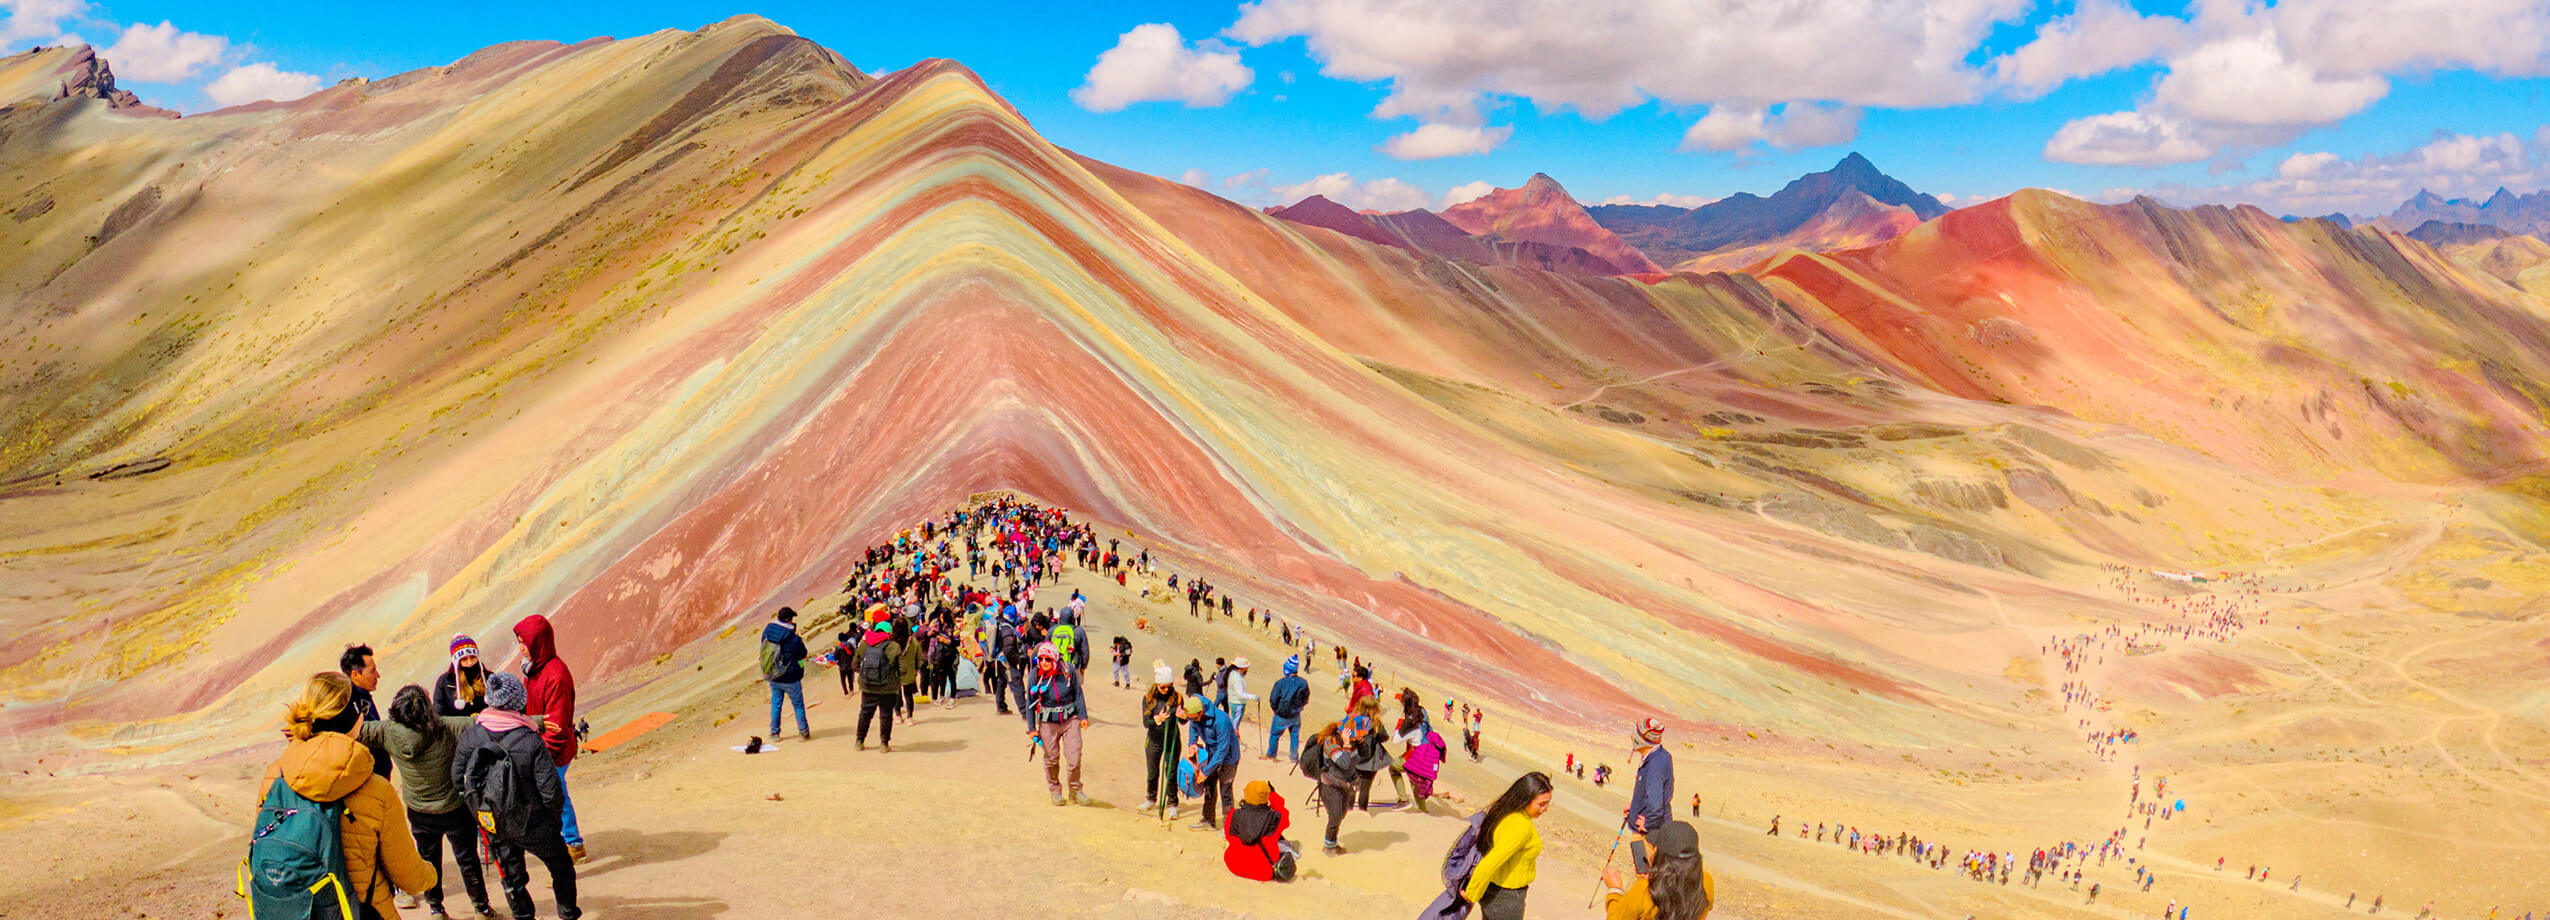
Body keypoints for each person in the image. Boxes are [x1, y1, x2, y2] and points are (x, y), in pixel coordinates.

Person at [259, 672, 436, 920]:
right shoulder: (376, 790)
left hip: (299, 912)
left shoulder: (274, 777)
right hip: (364, 911)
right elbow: (410, 877)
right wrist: (431, 873)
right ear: (353, 717)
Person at [457, 672, 581, 920]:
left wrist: (482, 815)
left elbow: (458, 779)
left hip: (495, 822)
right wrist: (552, 823)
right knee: (561, 866)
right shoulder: (530, 739)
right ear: (518, 701)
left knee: (512, 877)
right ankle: (567, 914)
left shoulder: (471, 736)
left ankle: (523, 917)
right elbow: (550, 790)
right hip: (533, 821)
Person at [366, 685, 492, 918]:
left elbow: (351, 731)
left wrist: (307, 729)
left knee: (428, 862)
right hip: (455, 808)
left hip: (420, 813)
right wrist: (540, 721)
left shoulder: (385, 732)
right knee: (468, 860)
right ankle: (481, 909)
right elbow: (490, 724)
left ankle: (436, 910)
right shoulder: (446, 726)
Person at [512, 615, 583, 862]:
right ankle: (562, 842)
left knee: (555, 795)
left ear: (538, 642)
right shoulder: (534, 670)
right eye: (519, 641)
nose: (520, 648)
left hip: (554, 751)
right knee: (549, 796)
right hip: (539, 747)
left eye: (524, 642)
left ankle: (573, 844)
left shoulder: (555, 676)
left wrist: (541, 757)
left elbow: (557, 726)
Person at [1466, 772, 1555, 920]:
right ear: (1526, 800)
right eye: (1541, 804)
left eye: (1548, 803)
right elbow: (1490, 862)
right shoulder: (1521, 826)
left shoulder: (1508, 813)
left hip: (1495, 892)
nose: (1545, 809)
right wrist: (1471, 893)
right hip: (1506, 898)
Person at [1599, 820, 1714, 920]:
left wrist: (1614, 890)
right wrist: (1657, 877)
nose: (1653, 851)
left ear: (1662, 857)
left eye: (1656, 848)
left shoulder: (1642, 892)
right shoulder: (1706, 883)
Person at [1027, 642, 1090, 805]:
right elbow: (1030, 703)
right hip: (1048, 723)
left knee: (1074, 757)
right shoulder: (1035, 676)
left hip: (1070, 719)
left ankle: (1076, 791)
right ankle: (1055, 790)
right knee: (1051, 759)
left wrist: (1083, 716)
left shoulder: (1067, 670)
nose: (1043, 663)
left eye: (1047, 659)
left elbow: (1078, 694)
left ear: (1054, 658)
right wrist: (1032, 729)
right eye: (1040, 659)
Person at [1183, 695, 1241, 830]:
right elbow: (1193, 726)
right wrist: (1192, 743)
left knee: (1225, 790)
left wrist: (1206, 770)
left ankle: (1229, 828)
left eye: (1194, 718)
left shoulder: (1221, 720)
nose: (1193, 720)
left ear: (1201, 712)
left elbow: (1223, 749)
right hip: (1211, 753)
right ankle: (1208, 820)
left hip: (1229, 757)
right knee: (1209, 786)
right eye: (1190, 718)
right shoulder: (1194, 717)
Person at [1222, 781, 1297, 882]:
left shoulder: (1233, 815)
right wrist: (1273, 795)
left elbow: (1228, 836)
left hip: (1234, 865)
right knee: (1288, 845)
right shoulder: (1276, 818)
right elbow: (1284, 816)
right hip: (1263, 871)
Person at [1140, 662, 1184, 814]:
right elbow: (1146, 722)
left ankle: (1172, 803)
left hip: (1172, 740)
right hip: (1154, 740)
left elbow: (1183, 720)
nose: (1166, 690)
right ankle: (1151, 799)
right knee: (1152, 771)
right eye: (1163, 687)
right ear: (1157, 684)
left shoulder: (1177, 697)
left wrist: (1183, 716)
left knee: (1171, 772)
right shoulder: (1148, 698)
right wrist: (1157, 720)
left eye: (1169, 686)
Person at [762, 607, 811, 741]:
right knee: (798, 705)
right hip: (791, 677)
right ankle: (803, 732)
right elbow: (802, 653)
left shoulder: (768, 632)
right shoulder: (793, 638)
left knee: (776, 703)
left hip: (774, 675)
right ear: (789, 620)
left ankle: (774, 733)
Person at [343, 643, 392, 778]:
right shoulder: (351, 705)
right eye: (372, 671)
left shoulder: (362, 697)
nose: (378, 676)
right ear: (355, 675)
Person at [1310, 721, 1358, 855]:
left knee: (1342, 813)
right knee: (1335, 815)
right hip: (1330, 784)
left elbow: (1359, 760)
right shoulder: (1331, 742)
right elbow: (1344, 762)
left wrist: (1360, 742)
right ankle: (1329, 846)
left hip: (1345, 783)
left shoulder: (1355, 742)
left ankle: (1333, 842)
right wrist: (1347, 744)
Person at [855, 615, 902, 751]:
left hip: (868, 686)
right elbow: (901, 667)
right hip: (888, 687)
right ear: (889, 633)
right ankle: (884, 744)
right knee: (886, 715)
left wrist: (867, 675)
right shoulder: (893, 646)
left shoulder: (864, 644)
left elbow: (855, 664)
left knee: (865, 713)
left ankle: (859, 741)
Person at [1629, 718, 1674, 839]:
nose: (1631, 737)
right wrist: (1634, 806)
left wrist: (1648, 824)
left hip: (1647, 834)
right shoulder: (1658, 756)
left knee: (1644, 858)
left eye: (1635, 734)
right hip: (1650, 829)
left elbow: (1655, 805)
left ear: (1641, 739)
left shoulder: (1655, 764)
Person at [1265, 656, 1310, 761]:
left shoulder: (1281, 683)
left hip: (1282, 715)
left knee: (1274, 735)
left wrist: (1276, 710)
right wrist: (1300, 707)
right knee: (1294, 736)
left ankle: (1271, 754)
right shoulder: (1303, 683)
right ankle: (1294, 757)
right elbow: (1306, 698)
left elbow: (1273, 699)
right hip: (1295, 715)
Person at [434, 635, 488, 718]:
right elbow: (439, 716)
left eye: (473, 657)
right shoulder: (445, 683)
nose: (470, 663)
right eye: (464, 659)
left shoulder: (489, 677)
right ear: (457, 662)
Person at [1226, 658, 1258, 723]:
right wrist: (1253, 697)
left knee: (1234, 722)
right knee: (1235, 724)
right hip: (1238, 704)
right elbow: (1240, 694)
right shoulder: (1237, 678)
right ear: (1242, 668)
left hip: (1234, 702)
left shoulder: (1233, 674)